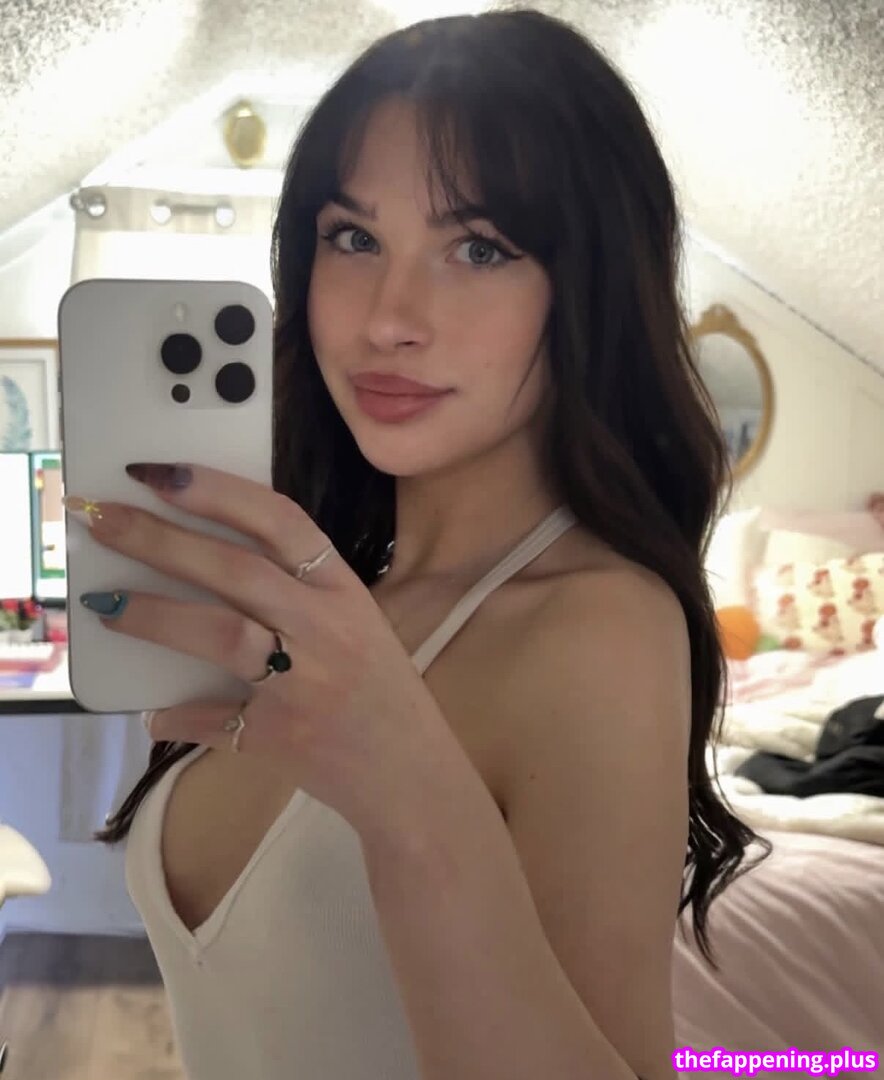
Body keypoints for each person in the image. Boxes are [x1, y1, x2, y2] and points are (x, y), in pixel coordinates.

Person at [88, 9, 768, 1079]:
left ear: (588, 286)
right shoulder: (325, 595)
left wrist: (410, 794)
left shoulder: (599, 627)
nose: (387, 318)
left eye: (479, 248)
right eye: (353, 238)